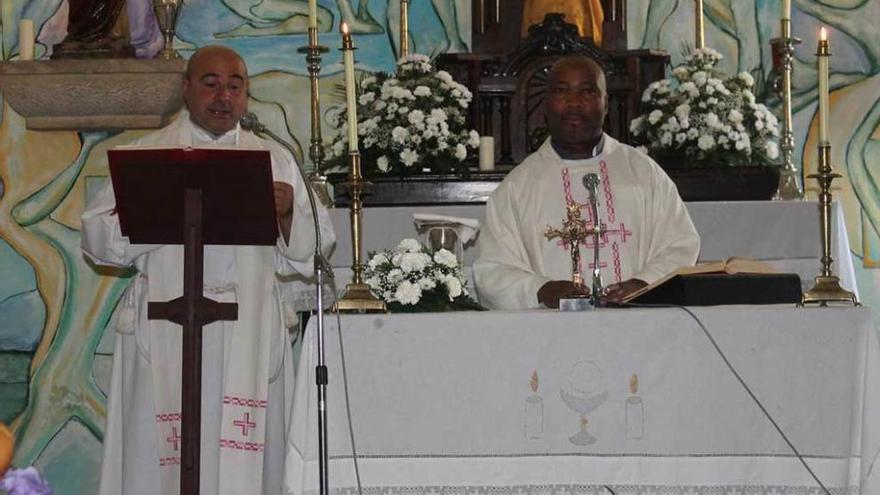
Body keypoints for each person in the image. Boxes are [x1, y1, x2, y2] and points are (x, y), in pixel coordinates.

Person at [81, 45, 335, 495]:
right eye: (210, 83)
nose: (223, 96)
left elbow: (315, 246)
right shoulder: (146, 155)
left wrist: (290, 210)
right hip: (168, 326)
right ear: (186, 89)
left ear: (246, 94)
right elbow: (98, 241)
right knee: (158, 454)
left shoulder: (274, 160)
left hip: (247, 328)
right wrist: (149, 208)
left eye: (235, 86)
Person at [473, 55, 699, 310]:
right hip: (549, 337)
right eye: (562, 91)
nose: (574, 103)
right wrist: (541, 290)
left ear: (605, 103)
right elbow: (492, 270)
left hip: (637, 328)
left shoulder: (643, 174)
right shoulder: (518, 187)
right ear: (545, 105)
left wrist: (644, 283)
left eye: (587, 91)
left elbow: (680, 245)